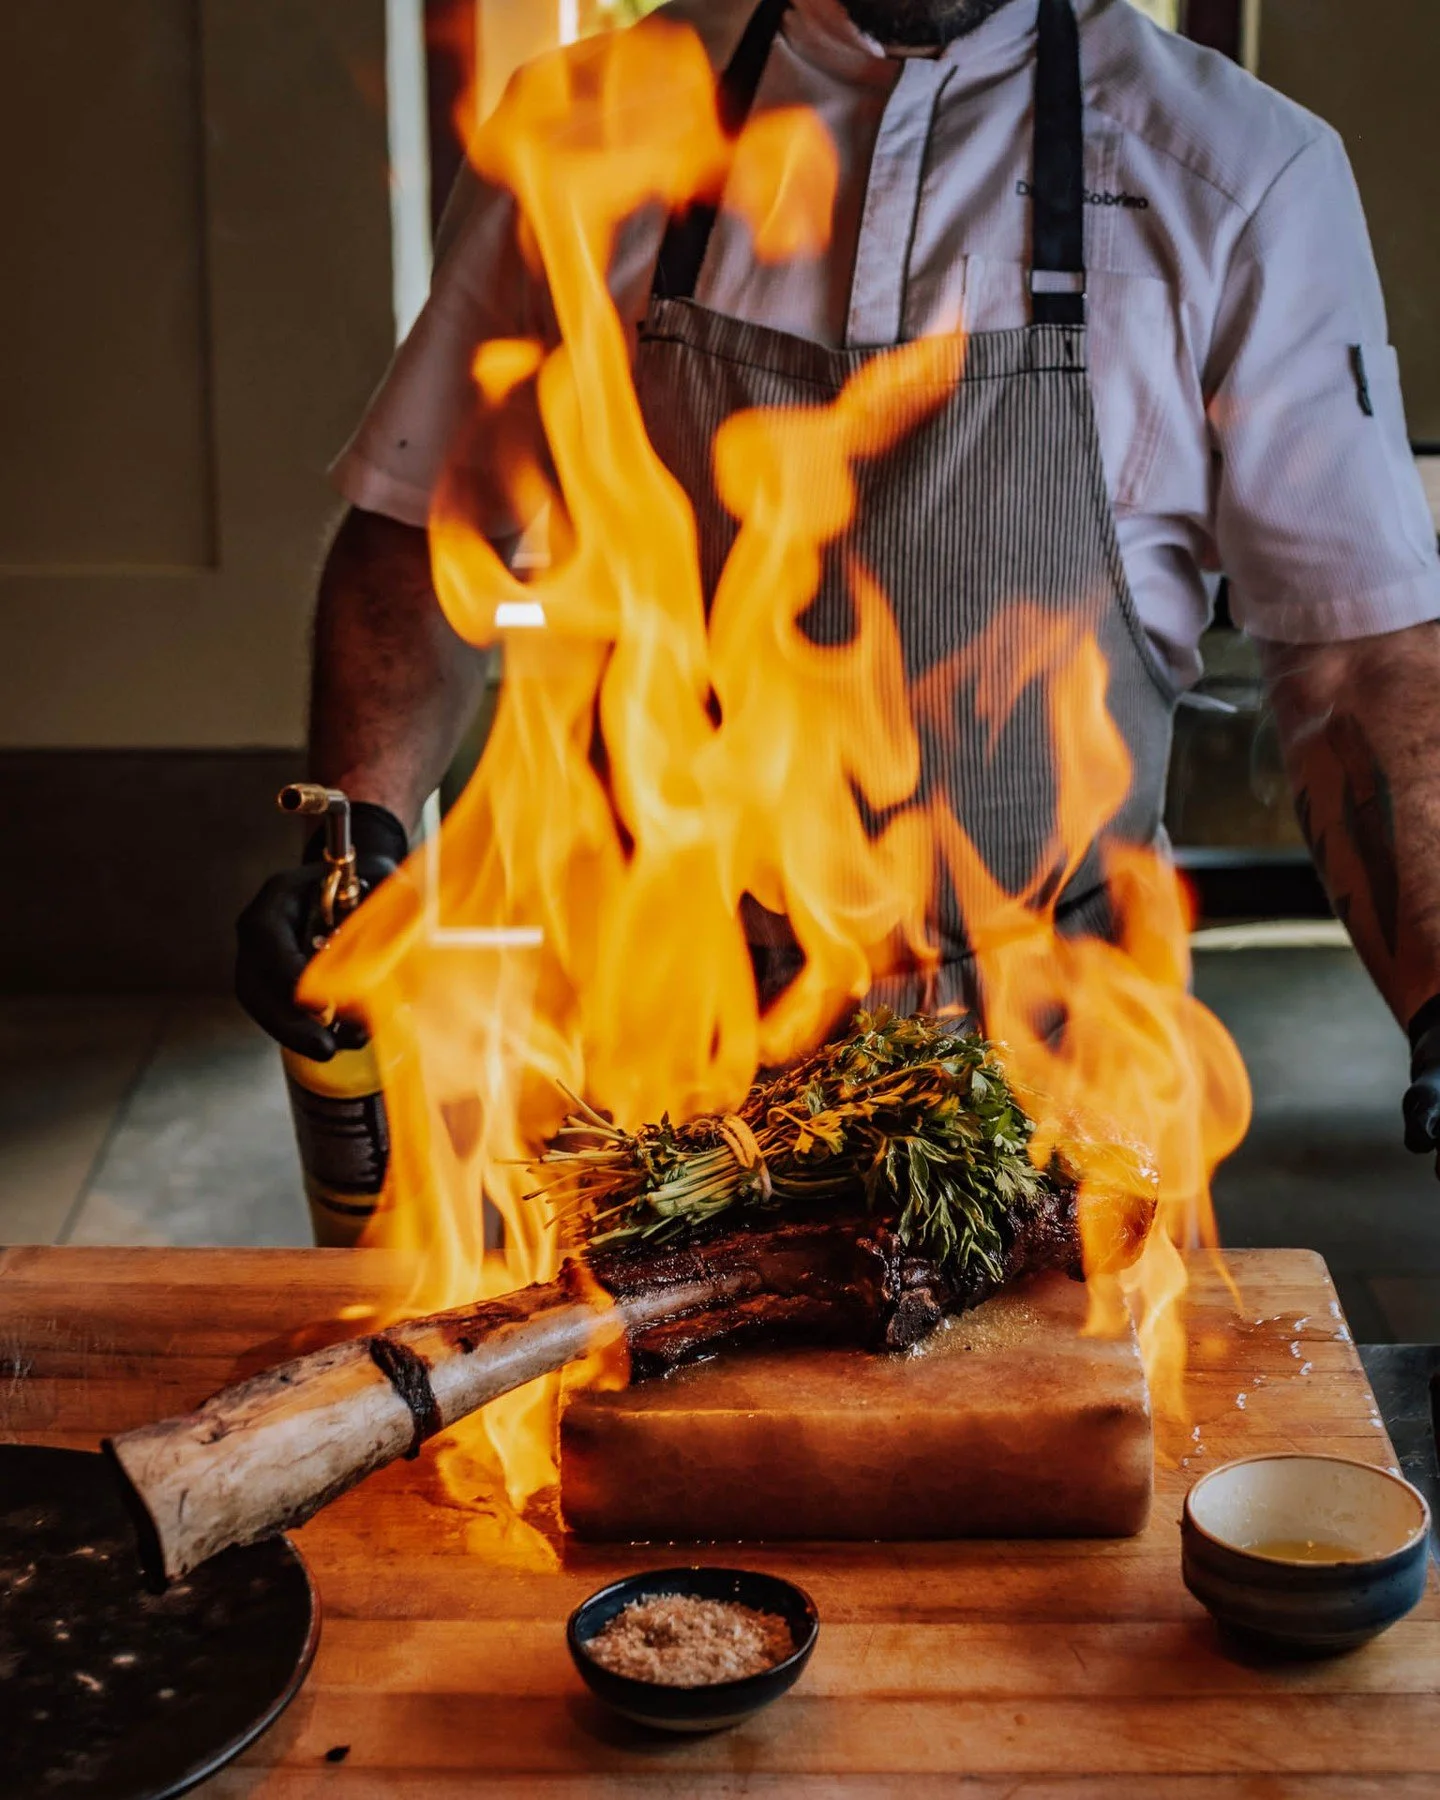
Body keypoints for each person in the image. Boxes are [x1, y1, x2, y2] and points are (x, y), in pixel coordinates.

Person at [237, 0, 1440, 1178]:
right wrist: (362, 836)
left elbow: (1355, 663)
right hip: (662, 1050)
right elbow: (414, 540)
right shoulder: (584, 132)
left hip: (1057, 1068)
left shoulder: (1239, 173)